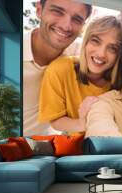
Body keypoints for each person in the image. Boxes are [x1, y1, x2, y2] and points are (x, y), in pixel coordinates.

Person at [38, 16, 122, 134]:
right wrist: (82, 123)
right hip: (77, 146)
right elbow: (56, 121)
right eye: (96, 41)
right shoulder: (59, 69)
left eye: (112, 48)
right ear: (85, 42)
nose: (101, 53)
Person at [23, 0, 92, 136]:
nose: (66, 26)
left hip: (57, 148)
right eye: (57, 12)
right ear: (39, 10)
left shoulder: (82, 54)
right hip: (16, 148)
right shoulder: (10, 56)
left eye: (77, 19)